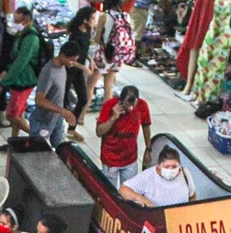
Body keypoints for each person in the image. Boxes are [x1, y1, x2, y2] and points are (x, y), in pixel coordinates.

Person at [0, 7, 40, 143]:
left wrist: (3, 83)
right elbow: (15, 57)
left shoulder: (31, 38)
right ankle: (14, 142)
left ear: (25, 20)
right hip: (19, 79)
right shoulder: (23, 34)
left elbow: (20, 63)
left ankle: (38, 139)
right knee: (18, 113)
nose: (13, 21)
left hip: (24, 81)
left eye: (16, 18)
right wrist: (7, 70)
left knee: (12, 115)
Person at [28, 41, 84, 148]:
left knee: (62, 148)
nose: (74, 63)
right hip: (43, 121)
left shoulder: (62, 67)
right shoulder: (48, 72)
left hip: (57, 119)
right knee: (37, 151)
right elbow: (39, 100)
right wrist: (62, 110)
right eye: (72, 60)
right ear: (63, 56)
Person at [96, 85, 153, 187]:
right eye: (127, 105)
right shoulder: (109, 106)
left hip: (130, 159)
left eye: (133, 104)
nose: (130, 109)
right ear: (121, 101)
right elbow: (99, 132)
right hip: (110, 160)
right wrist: (113, 117)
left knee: (129, 192)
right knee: (110, 191)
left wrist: (148, 149)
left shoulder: (142, 106)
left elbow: (146, 127)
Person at [64, 7, 99, 142]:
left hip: (78, 70)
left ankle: (71, 130)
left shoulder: (88, 30)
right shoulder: (75, 35)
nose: (94, 21)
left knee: (83, 99)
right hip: (69, 70)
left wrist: (90, 60)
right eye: (93, 18)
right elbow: (70, 59)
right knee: (63, 101)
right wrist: (85, 68)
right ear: (85, 20)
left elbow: (83, 50)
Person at [120, 146, 196, 207]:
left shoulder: (185, 173)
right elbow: (123, 189)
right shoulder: (148, 176)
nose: (171, 169)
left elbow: (192, 195)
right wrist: (140, 198)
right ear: (158, 167)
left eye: (174, 166)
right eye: (166, 166)